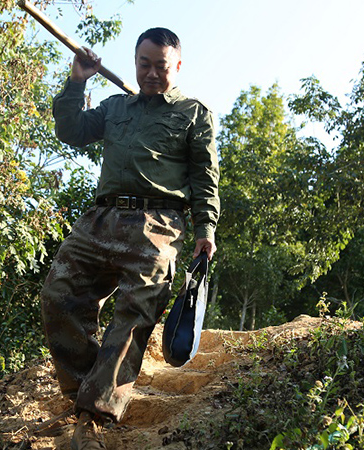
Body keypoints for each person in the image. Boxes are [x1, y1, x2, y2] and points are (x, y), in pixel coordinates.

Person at [40, 27, 220, 450]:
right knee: (57, 296)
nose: (152, 73)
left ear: (177, 65)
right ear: (135, 63)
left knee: (136, 311)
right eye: (145, 64)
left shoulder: (194, 114)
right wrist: (77, 81)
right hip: (100, 219)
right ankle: (88, 389)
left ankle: (94, 417)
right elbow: (72, 131)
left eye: (161, 66)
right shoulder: (115, 106)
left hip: (158, 223)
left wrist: (204, 230)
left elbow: (205, 179)